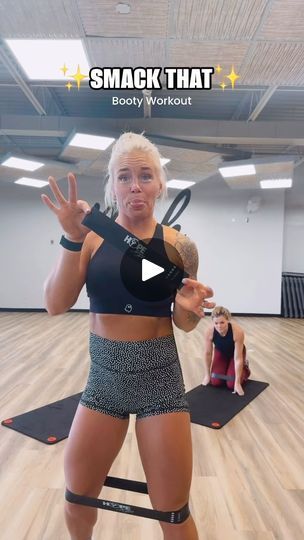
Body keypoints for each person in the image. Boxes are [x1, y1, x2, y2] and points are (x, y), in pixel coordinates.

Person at [41, 132, 214, 540]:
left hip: (160, 384)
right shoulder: (92, 238)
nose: (135, 186)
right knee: (77, 501)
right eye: (124, 176)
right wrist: (71, 237)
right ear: (113, 186)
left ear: (159, 185)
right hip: (104, 383)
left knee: (173, 513)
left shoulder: (179, 247)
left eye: (145, 175)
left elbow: (183, 324)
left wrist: (188, 312)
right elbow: (54, 304)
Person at [202, 306, 250, 396]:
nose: (219, 326)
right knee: (215, 381)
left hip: (235, 354)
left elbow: (238, 358)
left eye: (222, 322)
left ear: (228, 320)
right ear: (212, 322)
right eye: (216, 323)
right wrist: (207, 375)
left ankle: (245, 368)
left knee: (231, 384)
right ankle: (226, 367)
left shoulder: (237, 332)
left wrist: (237, 383)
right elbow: (208, 354)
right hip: (221, 352)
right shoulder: (209, 331)